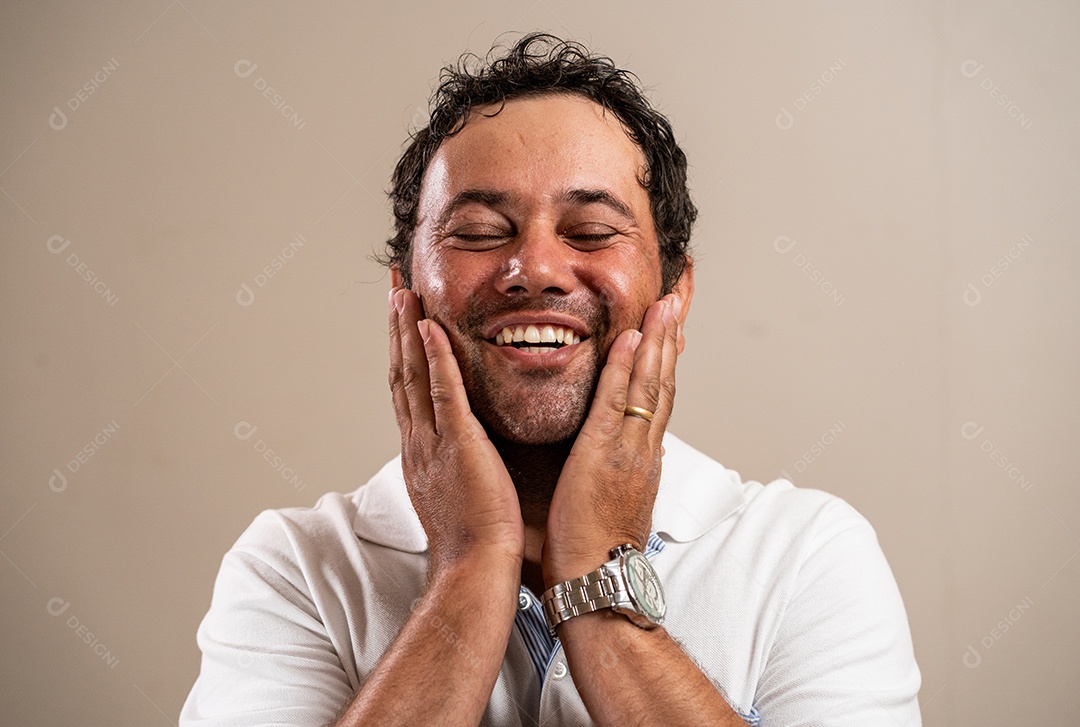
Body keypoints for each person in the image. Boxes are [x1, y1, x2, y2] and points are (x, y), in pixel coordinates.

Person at [180, 33, 921, 726]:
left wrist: (600, 577)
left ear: (675, 289)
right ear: (406, 289)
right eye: (477, 230)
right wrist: (469, 567)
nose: (533, 268)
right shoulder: (295, 568)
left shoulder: (805, 556)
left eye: (592, 231)